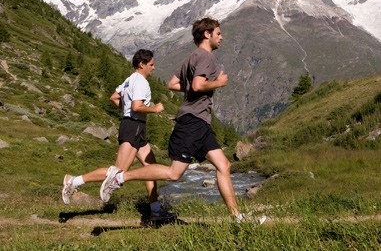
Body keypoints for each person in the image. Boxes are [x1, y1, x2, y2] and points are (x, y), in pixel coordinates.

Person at [99, 18, 266, 224]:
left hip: (200, 122)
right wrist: (219, 83)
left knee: (224, 165)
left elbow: (172, 84)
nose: (221, 37)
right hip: (192, 122)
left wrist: (197, 87)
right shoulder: (206, 57)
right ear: (207, 34)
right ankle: (120, 177)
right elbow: (197, 85)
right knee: (174, 174)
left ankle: (237, 217)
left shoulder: (191, 58)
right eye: (219, 33)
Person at [62, 49, 176, 222]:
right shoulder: (141, 82)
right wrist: (155, 109)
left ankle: (156, 210)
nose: (154, 67)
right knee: (116, 173)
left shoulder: (130, 80)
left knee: (150, 168)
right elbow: (137, 106)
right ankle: (73, 181)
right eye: (151, 64)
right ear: (142, 64)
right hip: (134, 127)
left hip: (134, 127)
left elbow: (114, 97)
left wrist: (126, 109)